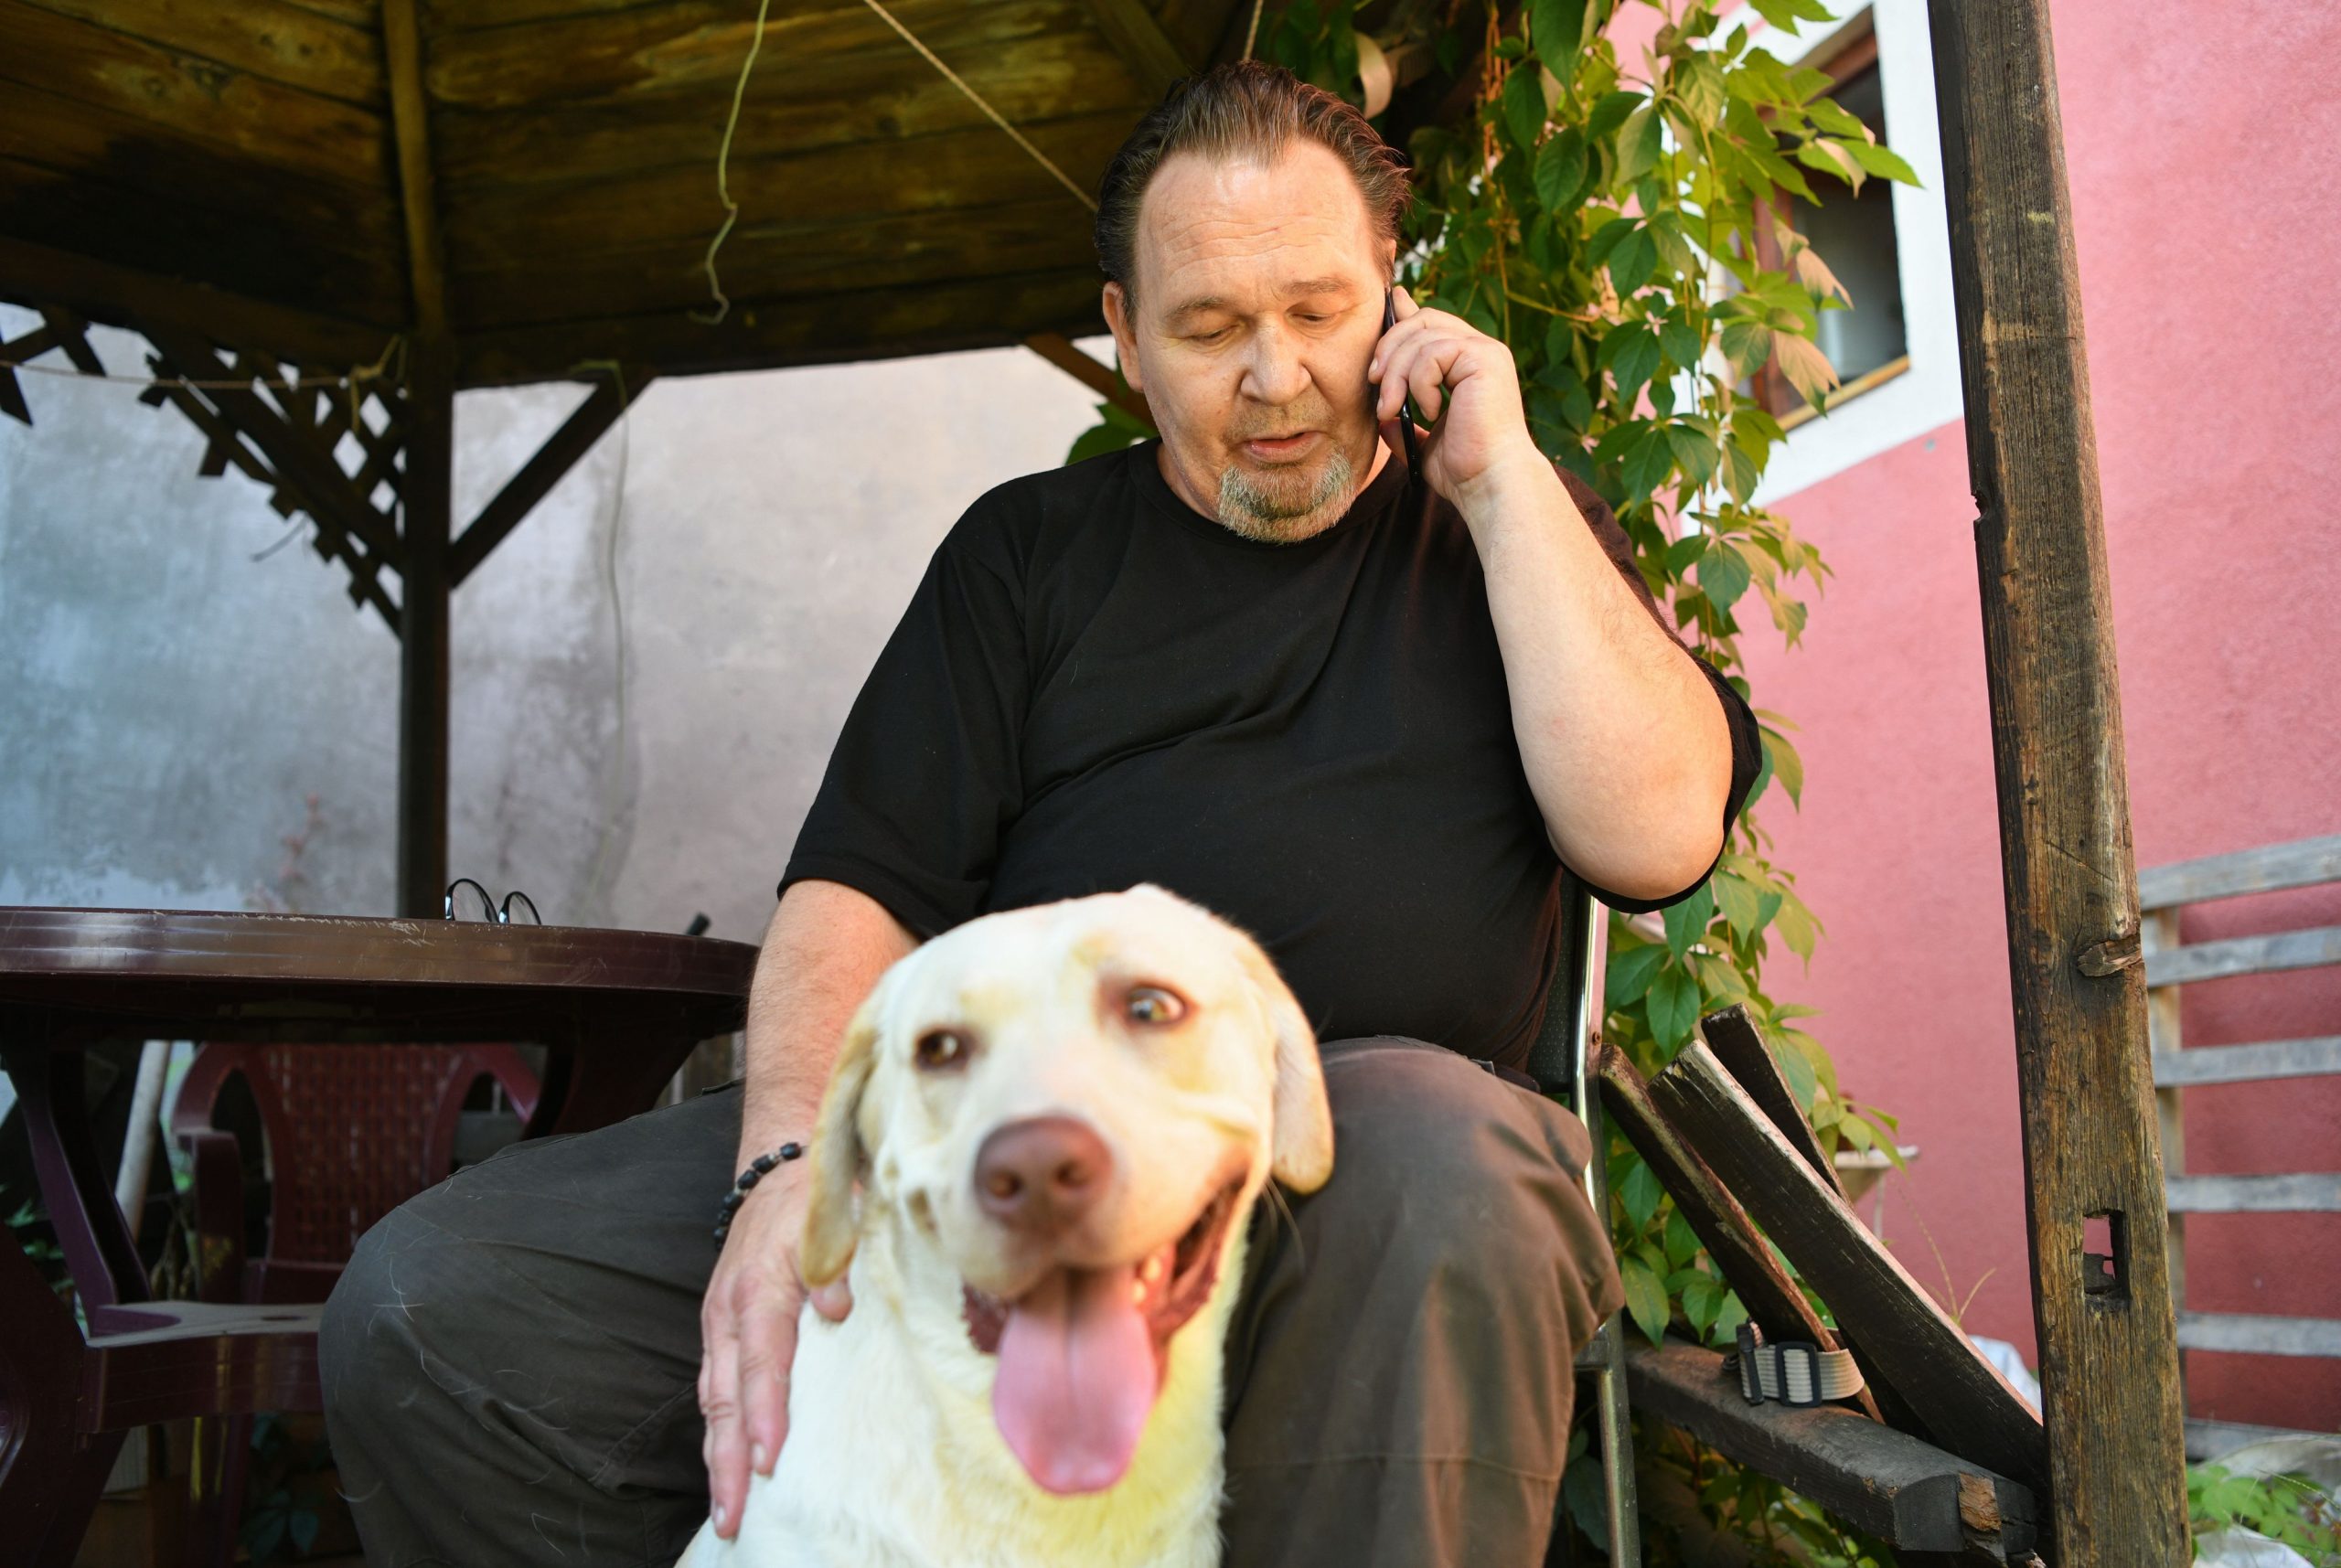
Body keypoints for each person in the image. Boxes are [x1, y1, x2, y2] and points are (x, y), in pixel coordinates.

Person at [321, 60, 1758, 1567]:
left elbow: (1654, 838)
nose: (1273, 375)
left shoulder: (1512, 532)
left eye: (1318, 312)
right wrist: (787, 1166)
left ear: (1396, 302)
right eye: (1209, 328)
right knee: (443, 1308)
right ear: (1126, 338)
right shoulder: (1028, 557)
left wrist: (1505, 483)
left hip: (1343, 1172)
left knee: (1449, 1167)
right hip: (1000, 1133)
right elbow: (854, 889)